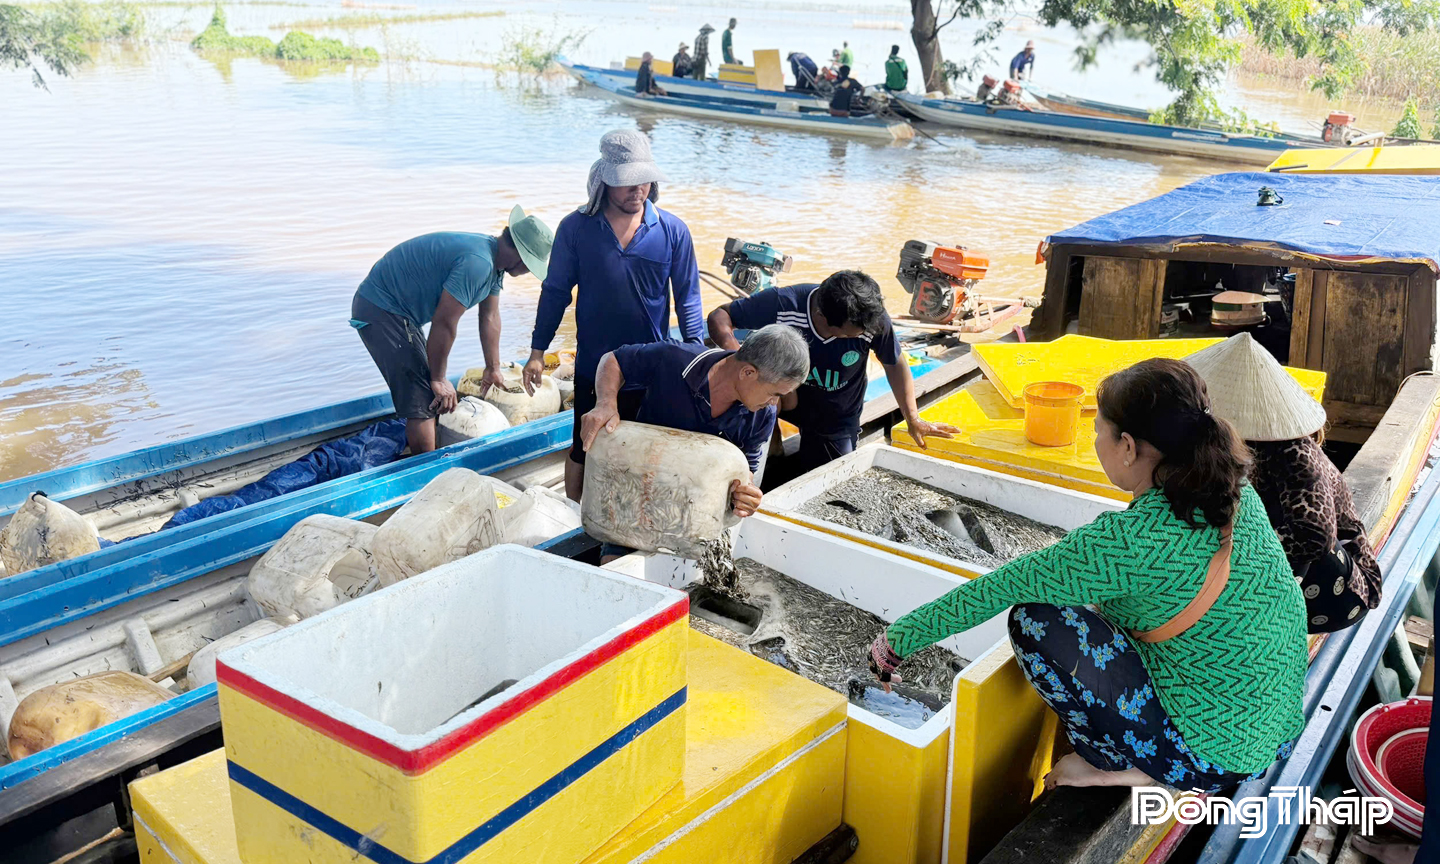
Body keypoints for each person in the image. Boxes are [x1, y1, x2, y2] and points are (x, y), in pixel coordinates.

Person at [869, 358, 1308, 792]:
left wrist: (897, 640)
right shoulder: (1232, 489)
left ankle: (1111, 760)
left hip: (1212, 757)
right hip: (1273, 728)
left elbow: (1000, 587)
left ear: (1129, 446)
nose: (1094, 440)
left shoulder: (1127, 541)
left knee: (1034, 621)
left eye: (1098, 430)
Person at [526, 129, 704, 502]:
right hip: (594, 362)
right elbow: (556, 292)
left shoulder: (672, 231)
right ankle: (575, 518)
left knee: (644, 451)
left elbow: (688, 298)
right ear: (604, 179)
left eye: (643, 180)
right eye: (626, 183)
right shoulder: (576, 228)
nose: (636, 190)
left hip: (651, 365)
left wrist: (697, 354)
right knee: (583, 446)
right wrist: (537, 351)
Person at [1187, 333, 1381, 632]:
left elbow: (1314, 538)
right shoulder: (1224, 444)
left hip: (1337, 587)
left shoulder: (1293, 455)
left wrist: (1238, 552)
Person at [582, 324, 810, 561]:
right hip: (635, 497)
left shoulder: (762, 415)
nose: (774, 403)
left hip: (692, 517)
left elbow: (746, 470)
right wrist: (606, 403)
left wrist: (744, 494)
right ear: (748, 373)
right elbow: (614, 360)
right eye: (775, 393)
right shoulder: (675, 360)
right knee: (616, 567)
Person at [708, 270, 958, 473]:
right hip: (781, 399)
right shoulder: (784, 304)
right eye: (851, 333)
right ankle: (770, 450)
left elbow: (895, 364)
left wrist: (912, 418)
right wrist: (737, 358)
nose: (861, 336)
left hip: (834, 415)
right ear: (821, 316)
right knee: (757, 422)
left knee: (833, 479)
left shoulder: (873, 319)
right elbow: (720, 317)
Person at [350, 211, 552, 455]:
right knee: (424, 398)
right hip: (382, 308)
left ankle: (420, 446)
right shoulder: (478, 263)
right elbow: (444, 322)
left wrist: (493, 367)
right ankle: (427, 473)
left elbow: (490, 317)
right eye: (531, 266)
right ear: (521, 257)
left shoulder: (495, 264)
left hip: (399, 312)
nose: (529, 272)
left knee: (426, 389)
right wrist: (438, 378)